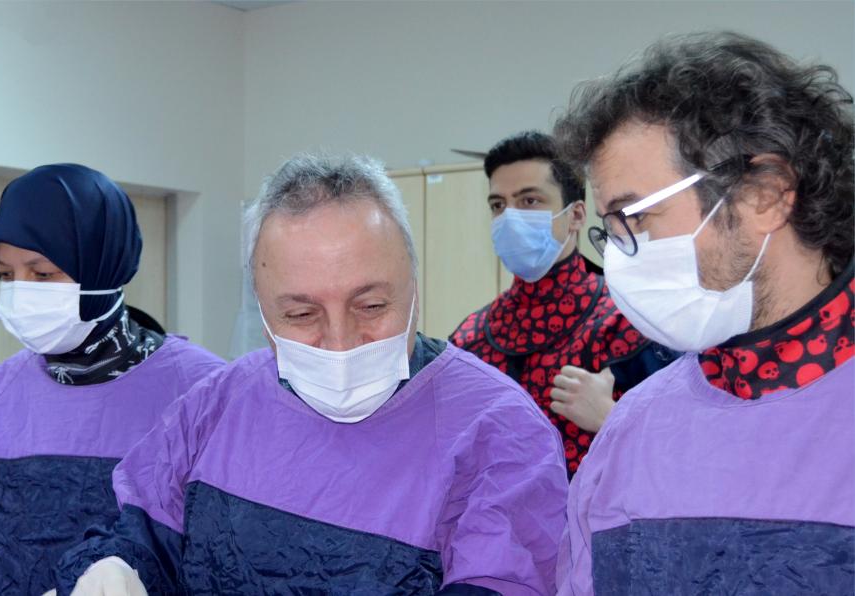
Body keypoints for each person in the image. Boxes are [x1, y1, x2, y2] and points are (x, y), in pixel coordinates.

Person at [54, 154, 568, 595]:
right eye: (301, 315)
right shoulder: (219, 404)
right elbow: (141, 531)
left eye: (371, 305)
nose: (340, 341)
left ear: (414, 287)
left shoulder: (499, 434)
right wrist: (115, 565)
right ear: (263, 315)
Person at [551, 32, 854, 594]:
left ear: (765, 195)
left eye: (635, 218)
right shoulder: (634, 431)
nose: (619, 259)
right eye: (610, 230)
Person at [0, 164, 225, 595]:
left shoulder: (205, 394)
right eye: (5, 275)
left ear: (103, 266)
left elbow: (224, 554)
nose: (21, 292)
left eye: (42, 274)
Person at [450, 131, 676, 477]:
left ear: (576, 215)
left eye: (529, 201)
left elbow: (683, 450)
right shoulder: (470, 340)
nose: (510, 218)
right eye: (498, 205)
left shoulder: (631, 323)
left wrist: (609, 417)